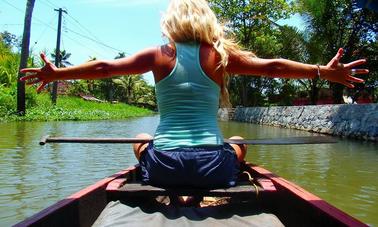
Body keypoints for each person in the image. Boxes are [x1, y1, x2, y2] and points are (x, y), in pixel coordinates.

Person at [20, 0, 368, 189]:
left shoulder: (157, 55)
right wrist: (322, 71)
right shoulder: (221, 56)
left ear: (171, 23)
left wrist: (57, 74)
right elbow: (272, 67)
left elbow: (104, 69)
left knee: (142, 136)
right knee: (235, 139)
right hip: (212, 168)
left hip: (164, 168)